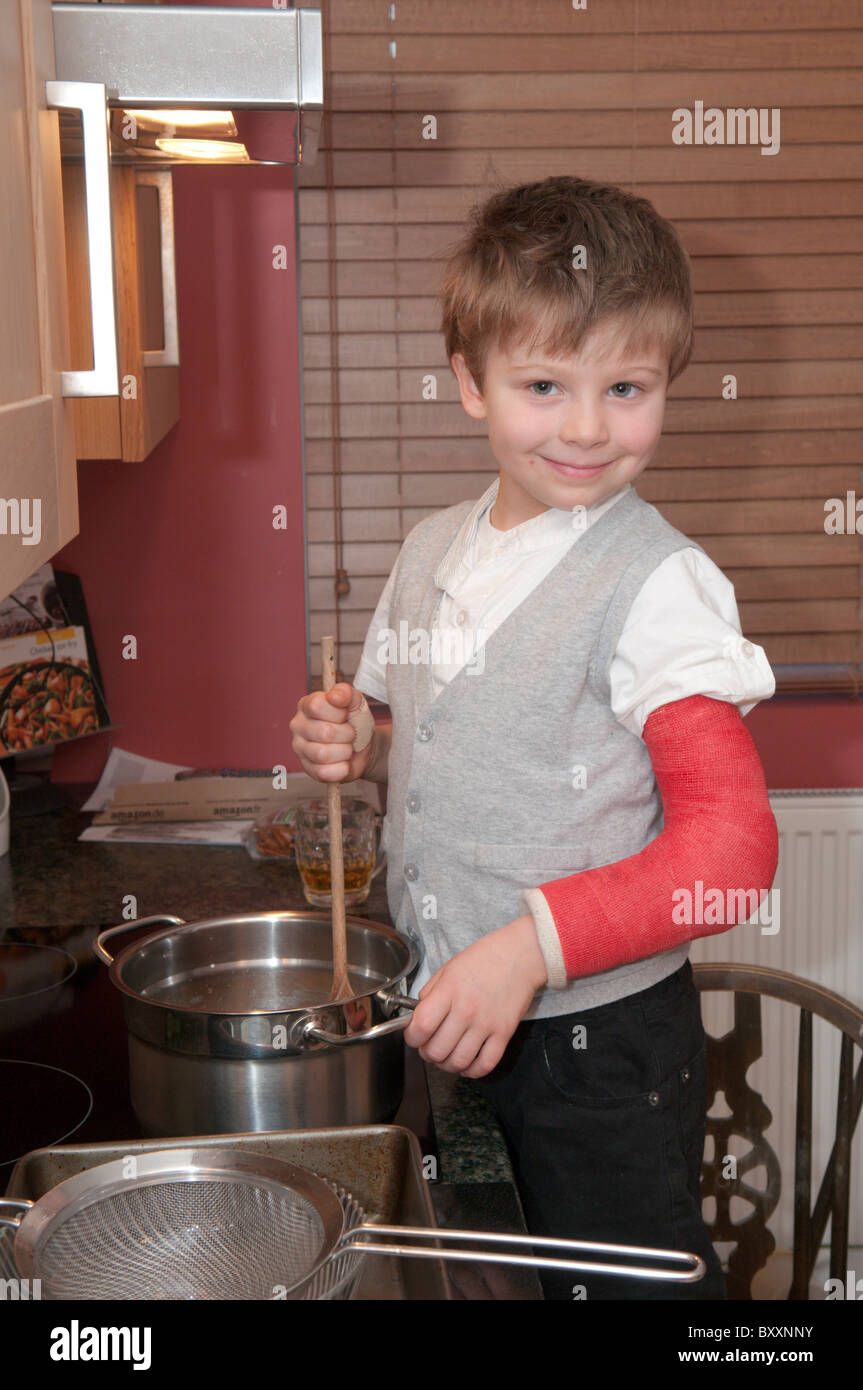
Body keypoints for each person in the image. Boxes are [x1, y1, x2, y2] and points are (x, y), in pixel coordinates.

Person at [290, 175, 779, 1300]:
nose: (586, 426)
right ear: (469, 383)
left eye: (625, 385)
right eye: (543, 384)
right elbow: (426, 735)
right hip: (457, 1016)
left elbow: (730, 856)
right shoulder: (427, 548)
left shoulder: (656, 584)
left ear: (665, 384)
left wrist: (530, 947)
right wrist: (353, 743)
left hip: (594, 1046)